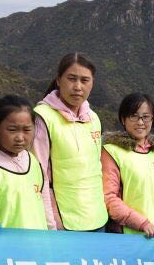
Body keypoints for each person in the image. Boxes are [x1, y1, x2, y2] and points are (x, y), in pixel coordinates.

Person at [32, 53, 108, 231]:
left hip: (98, 218)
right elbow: (39, 175)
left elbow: (96, 169)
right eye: (72, 79)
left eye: (85, 80)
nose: (78, 87)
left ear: (92, 83)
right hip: (65, 223)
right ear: (59, 80)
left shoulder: (93, 118)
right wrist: (52, 224)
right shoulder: (43, 116)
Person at [101, 93, 154, 245]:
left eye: (146, 117)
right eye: (134, 116)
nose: (140, 122)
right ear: (123, 119)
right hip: (129, 238)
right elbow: (109, 198)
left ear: (152, 119)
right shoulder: (111, 152)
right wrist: (141, 223)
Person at [0, 95, 47, 230]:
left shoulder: (31, 160)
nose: (20, 138)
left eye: (27, 130)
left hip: (40, 244)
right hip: (6, 248)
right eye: (12, 130)